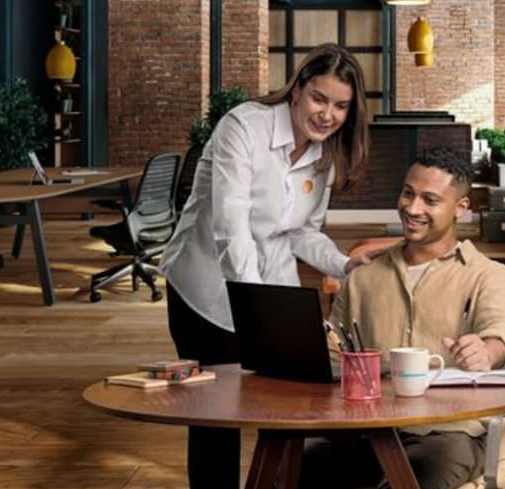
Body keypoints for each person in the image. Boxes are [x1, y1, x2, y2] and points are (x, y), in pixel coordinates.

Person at [158, 43, 373, 489]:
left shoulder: (323, 157)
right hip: (205, 289)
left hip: (272, 290)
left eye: (340, 106)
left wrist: (345, 263)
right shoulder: (243, 126)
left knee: (294, 404)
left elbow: (301, 232)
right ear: (296, 90)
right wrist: (257, 306)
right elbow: (229, 229)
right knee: (218, 415)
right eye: (319, 98)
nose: (327, 114)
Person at [300, 146, 505, 489]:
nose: (412, 207)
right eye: (408, 193)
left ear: (461, 209)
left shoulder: (488, 275)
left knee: (415, 479)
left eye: (430, 200)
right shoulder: (364, 275)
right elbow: (332, 355)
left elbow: (502, 335)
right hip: (366, 432)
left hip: (447, 435)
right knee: (296, 467)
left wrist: (486, 351)